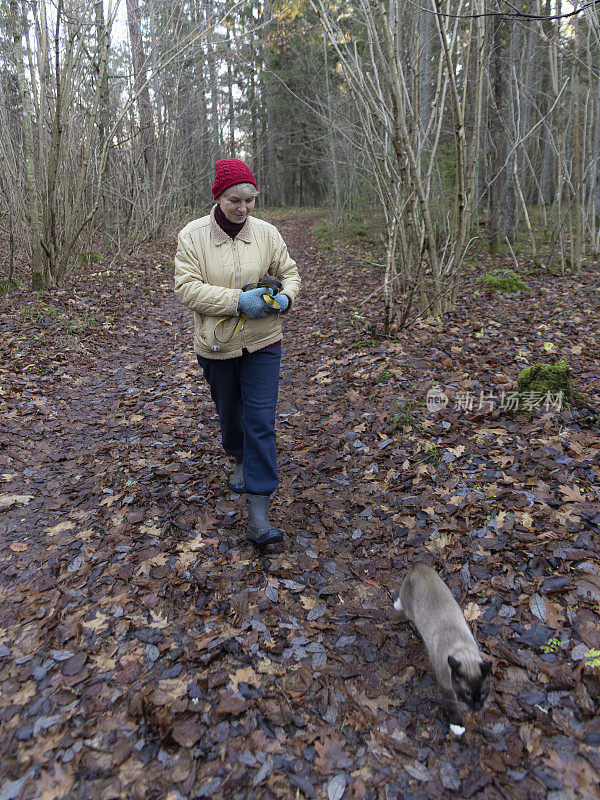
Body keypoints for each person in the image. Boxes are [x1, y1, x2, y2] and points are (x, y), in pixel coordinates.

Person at [174, 158, 301, 546]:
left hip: (264, 341)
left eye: (250, 200)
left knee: (260, 421)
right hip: (217, 344)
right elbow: (186, 288)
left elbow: (291, 272)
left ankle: (259, 518)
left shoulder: (266, 233)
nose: (243, 208)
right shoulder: (193, 236)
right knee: (231, 415)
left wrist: (284, 297)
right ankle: (239, 457)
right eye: (235, 200)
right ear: (218, 196)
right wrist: (237, 300)